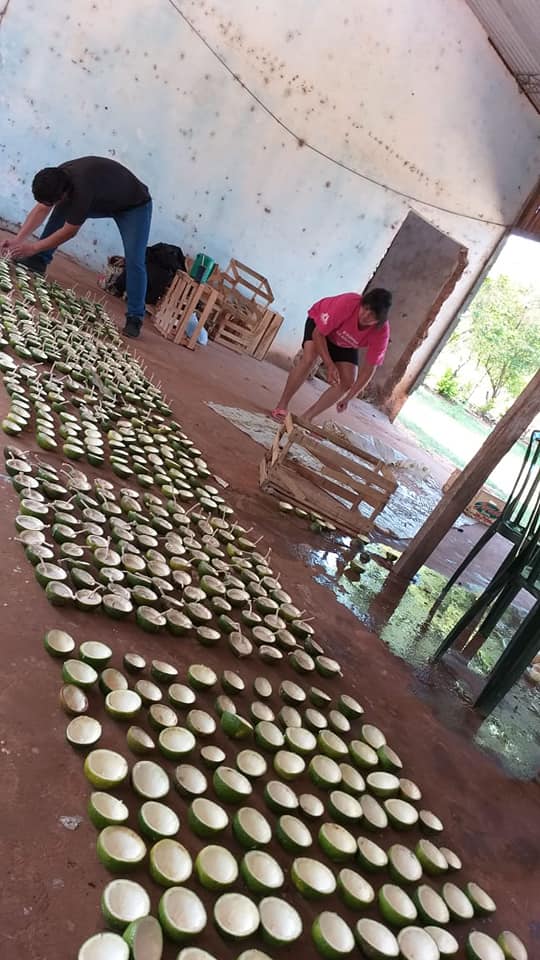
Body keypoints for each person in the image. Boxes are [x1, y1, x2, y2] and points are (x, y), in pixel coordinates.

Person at [2, 156, 152, 339]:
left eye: (54, 200)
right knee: (62, 207)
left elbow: (69, 231)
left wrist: (33, 247)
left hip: (133, 206)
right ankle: (40, 260)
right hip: (101, 198)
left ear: (64, 191)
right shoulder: (57, 177)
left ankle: (135, 317)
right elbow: (42, 208)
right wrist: (18, 240)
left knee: (135, 259)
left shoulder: (82, 189)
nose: (51, 204)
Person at [271, 288, 392, 422]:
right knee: (309, 359)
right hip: (320, 327)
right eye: (365, 308)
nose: (365, 316)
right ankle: (281, 405)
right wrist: (329, 364)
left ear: (379, 321)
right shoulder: (348, 303)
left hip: (344, 342)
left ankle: (306, 418)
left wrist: (349, 398)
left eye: (372, 315)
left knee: (347, 381)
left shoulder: (382, 332)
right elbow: (318, 334)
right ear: (361, 303)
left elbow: (369, 369)